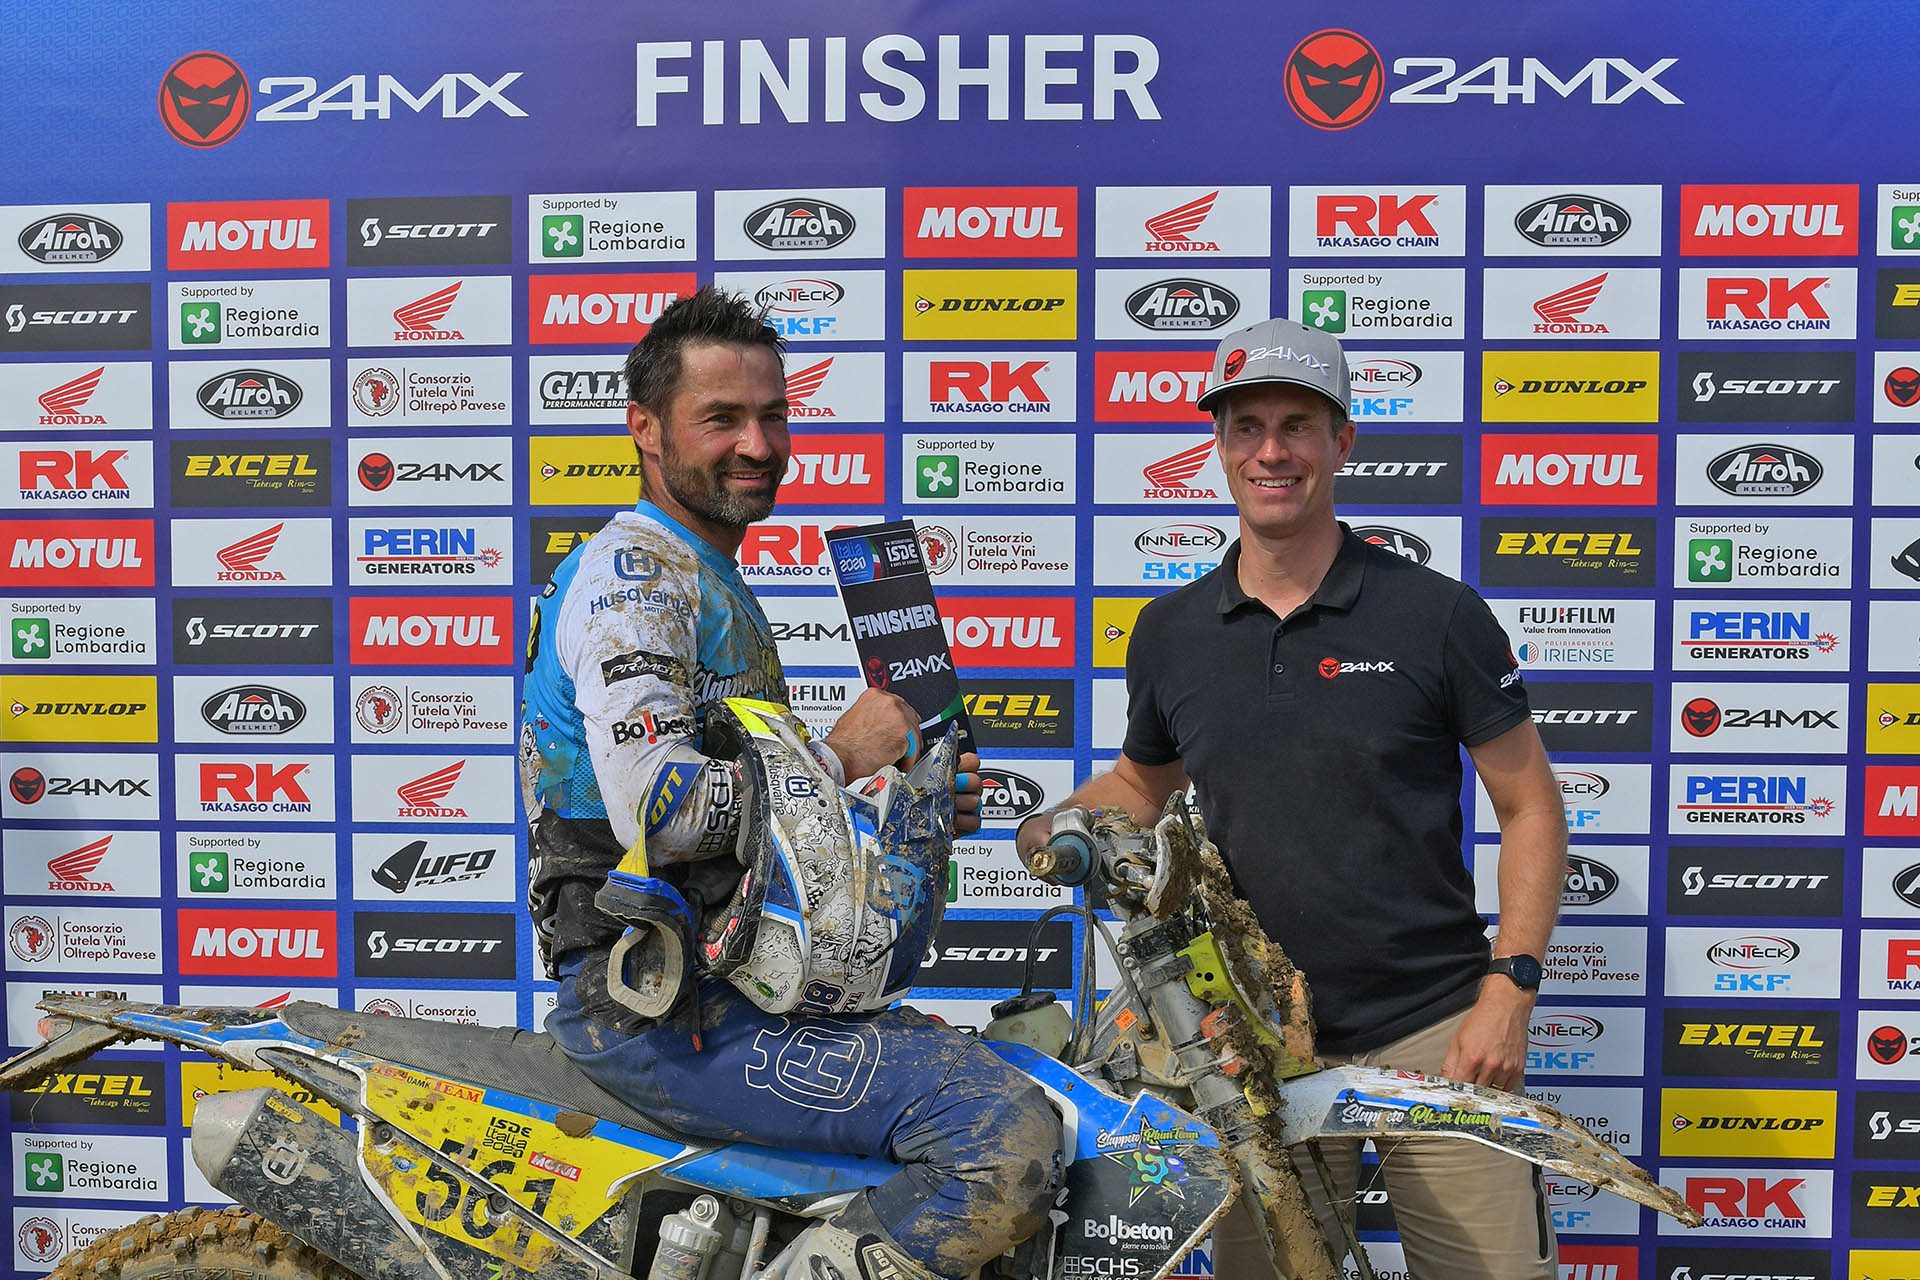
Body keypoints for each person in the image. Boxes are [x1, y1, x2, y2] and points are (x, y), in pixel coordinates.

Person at [521, 286, 1062, 1280]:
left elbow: (760, 821)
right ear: (645, 427)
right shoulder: (635, 577)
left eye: (773, 415)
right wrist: (840, 756)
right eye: (721, 417)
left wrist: (903, 799)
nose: (759, 445)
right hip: (651, 1006)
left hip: (726, 987)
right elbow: (658, 809)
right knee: (1001, 1131)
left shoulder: (704, 573)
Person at [1017, 316, 1566, 1280]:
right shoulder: (1172, 630)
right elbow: (1142, 782)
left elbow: (1531, 807)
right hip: (1256, 1049)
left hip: (1436, 1029)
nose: (1271, 451)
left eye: (1298, 426)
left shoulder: (1436, 614)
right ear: (1220, 445)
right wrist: (1051, 826)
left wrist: (1508, 992)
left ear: (1342, 441)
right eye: (1248, 427)